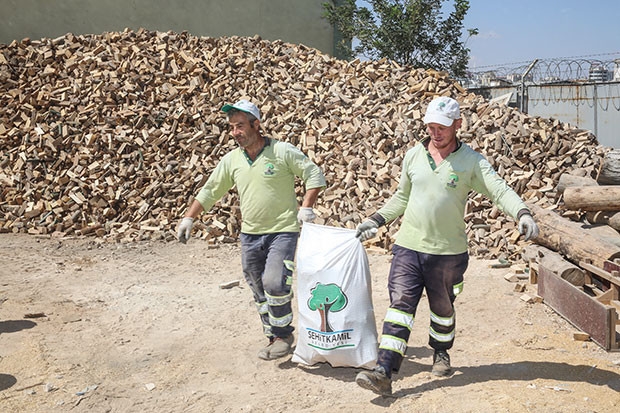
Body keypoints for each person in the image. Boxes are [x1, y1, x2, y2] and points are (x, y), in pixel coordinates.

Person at [354, 96, 539, 396]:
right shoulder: (414, 155)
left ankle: (440, 350)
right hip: (408, 247)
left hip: (449, 253)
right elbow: (401, 197)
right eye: (430, 126)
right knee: (400, 307)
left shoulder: (471, 162)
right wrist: (376, 220)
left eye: (441, 127)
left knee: (443, 309)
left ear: (458, 125)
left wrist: (522, 212)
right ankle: (384, 370)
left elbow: (499, 190)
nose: (435, 133)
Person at [177, 99, 326, 360]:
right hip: (250, 234)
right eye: (232, 127)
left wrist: (306, 207)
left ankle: (283, 335)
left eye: (240, 126)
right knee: (257, 285)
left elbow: (313, 174)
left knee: (274, 281)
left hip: (282, 230)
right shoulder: (232, 160)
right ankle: (272, 336)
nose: (235, 132)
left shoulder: (281, 151)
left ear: (257, 125)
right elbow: (211, 190)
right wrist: (188, 218)